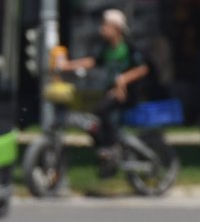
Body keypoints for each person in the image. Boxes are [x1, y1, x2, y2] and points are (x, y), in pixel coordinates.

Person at [58, 9, 150, 174]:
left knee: (101, 110)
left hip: (127, 94)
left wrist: (123, 79)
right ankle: (106, 151)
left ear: (116, 28)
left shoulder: (127, 47)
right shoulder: (106, 48)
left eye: (106, 25)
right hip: (112, 93)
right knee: (95, 122)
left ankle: (111, 148)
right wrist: (68, 66)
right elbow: (92, 61)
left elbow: (142, 69)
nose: (102, 28)